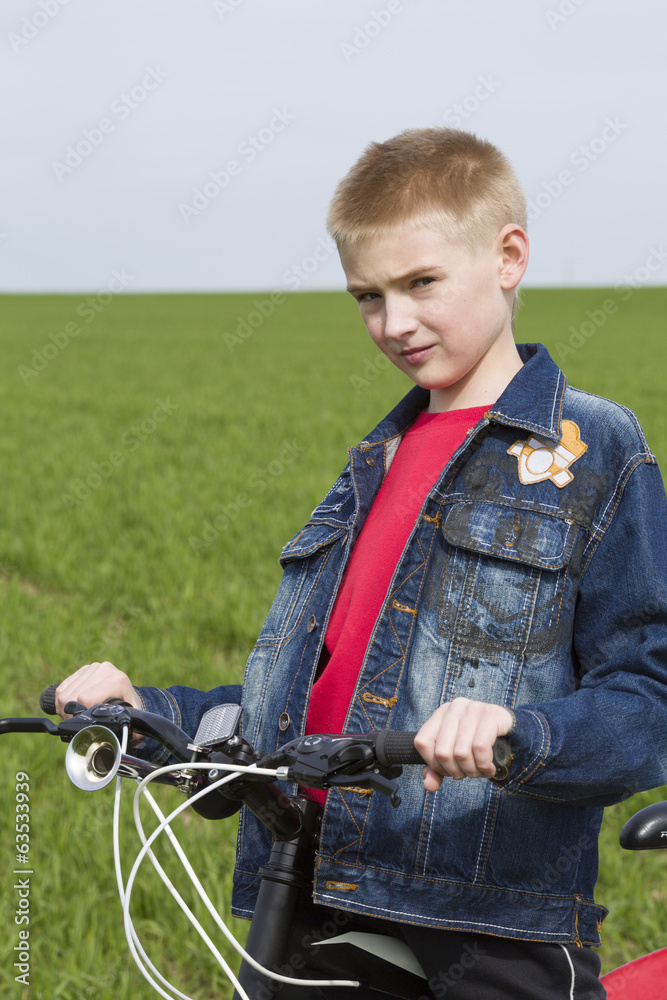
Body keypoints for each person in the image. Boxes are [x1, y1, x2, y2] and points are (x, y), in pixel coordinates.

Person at [55, 128, 667, 999]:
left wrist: (516, 736)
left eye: (421, 283)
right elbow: (308, 709)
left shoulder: (592, 449)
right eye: (366, 296)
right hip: (306, 895)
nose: (394, 323)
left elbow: (646, 701)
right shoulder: (370, 467)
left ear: (507, 256)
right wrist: (148, 712)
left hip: (481, 919)